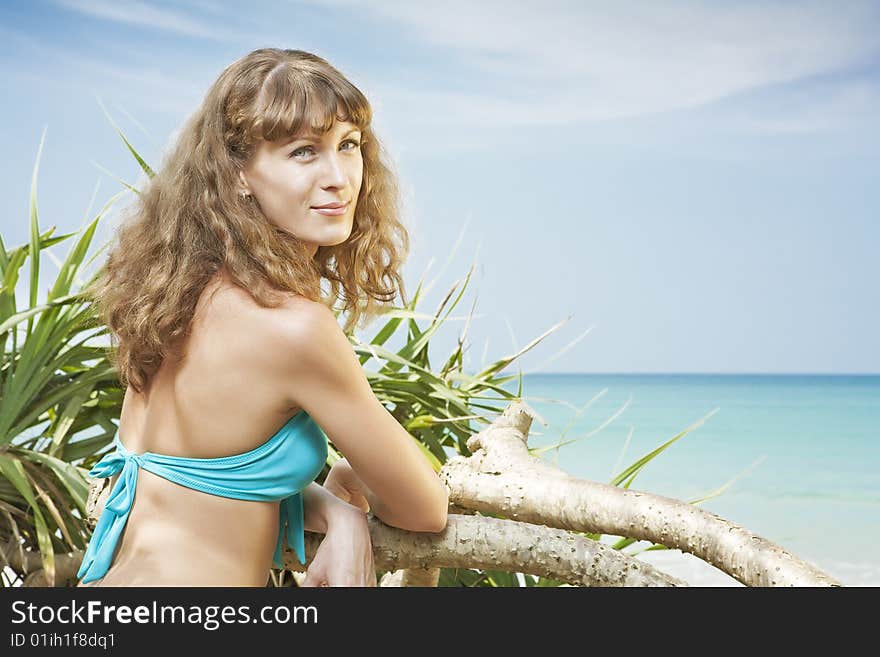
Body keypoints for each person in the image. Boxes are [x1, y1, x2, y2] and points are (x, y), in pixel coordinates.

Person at [75, 47, 449, 587]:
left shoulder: (172, 297)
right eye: (303, 152)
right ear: (239, 173)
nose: (339, 177)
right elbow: (423, 509)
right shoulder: (291, 327)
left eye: (348, 146)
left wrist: (336, 514)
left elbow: (198, 480)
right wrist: (347, 480)